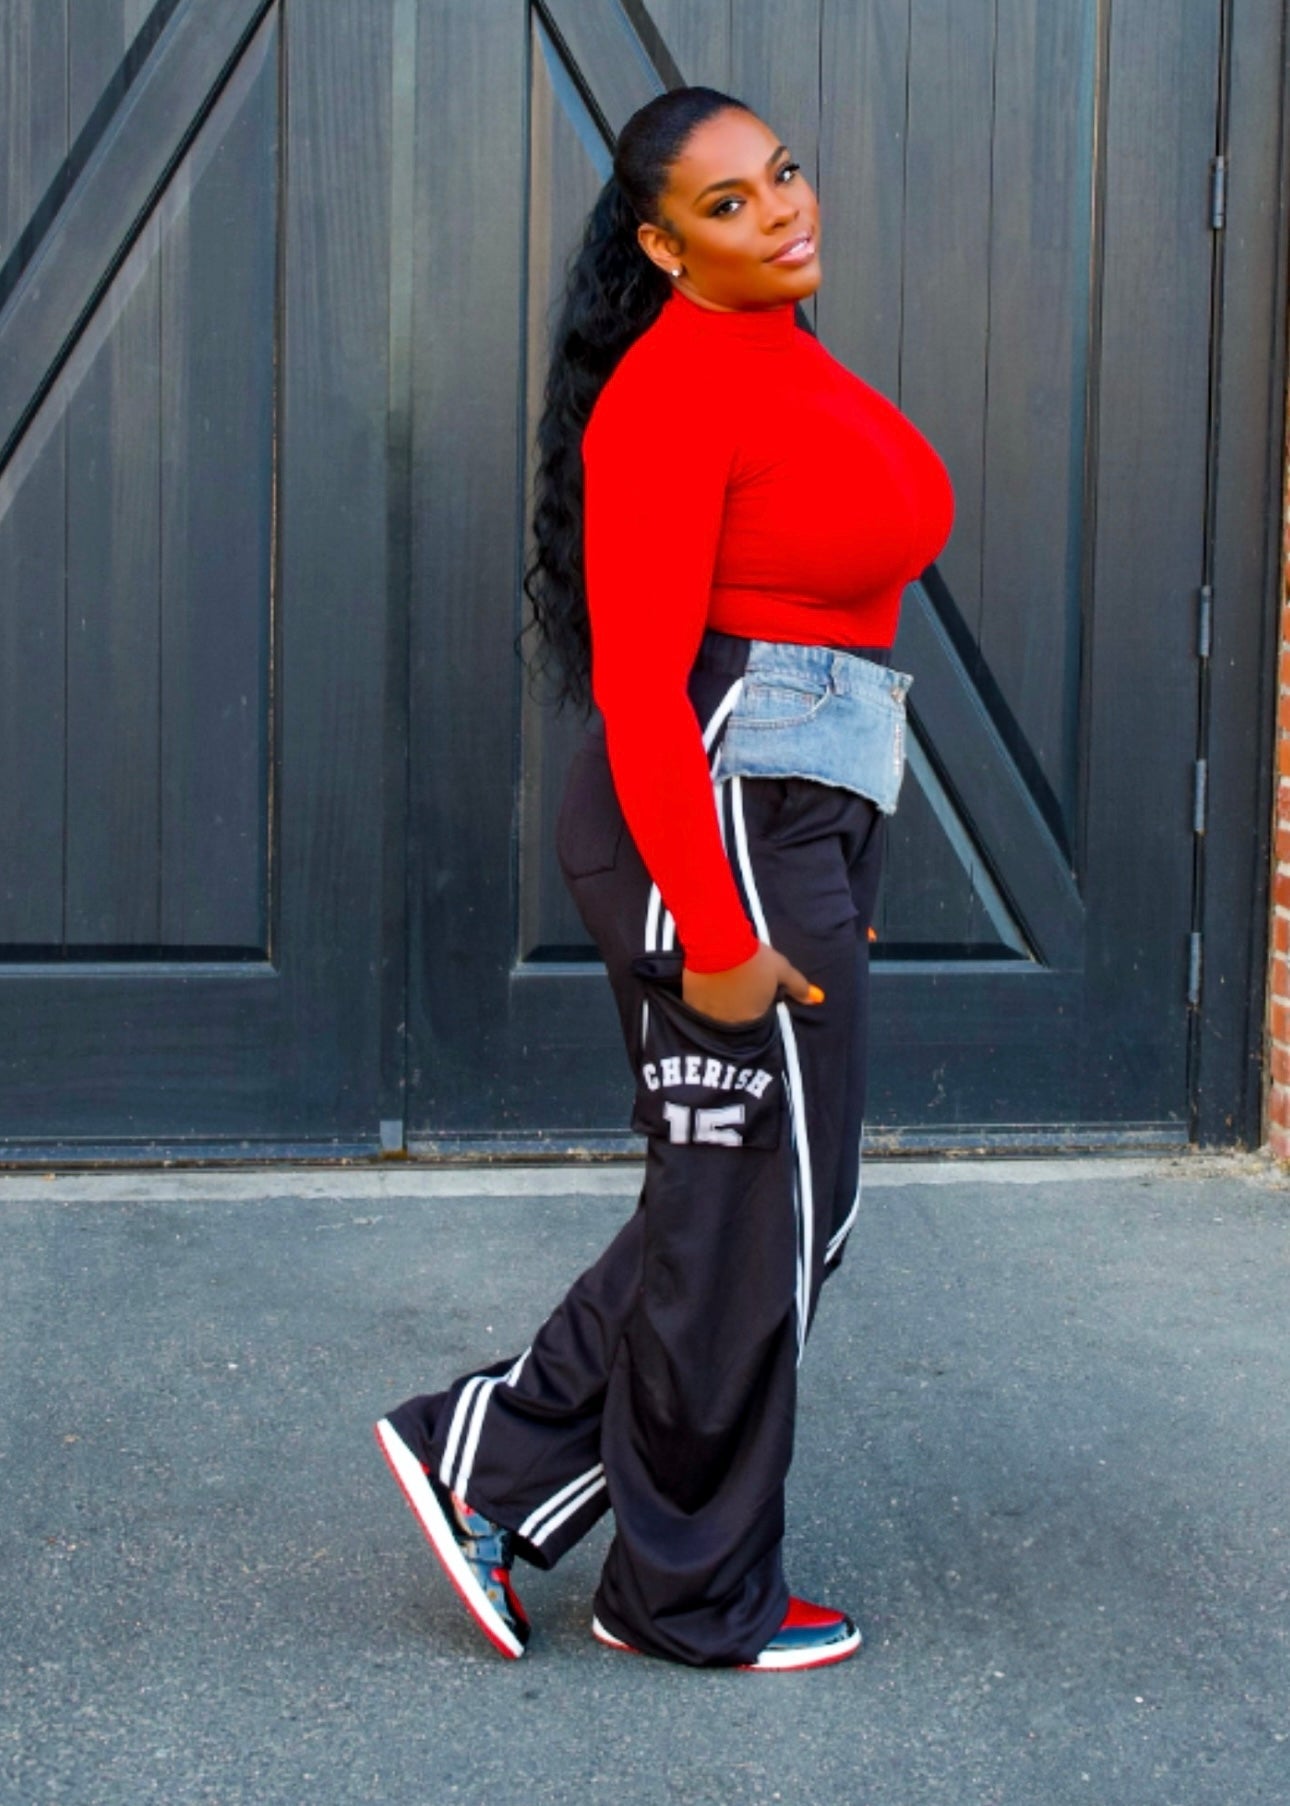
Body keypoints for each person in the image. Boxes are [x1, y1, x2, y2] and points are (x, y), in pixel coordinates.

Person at [375, 86, 955, 1672]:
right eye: (728, 203)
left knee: (752, 1201)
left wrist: (845, 852)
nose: (780, 210)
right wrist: (716, 921)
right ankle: (684, 1589)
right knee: (763, 1206)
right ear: (660, 244)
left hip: (793, 811)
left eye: (782, 172)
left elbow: (825, 633)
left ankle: (491, 1460)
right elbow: (642, 686)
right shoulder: (670, 391)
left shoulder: (775, 348)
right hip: (714, 820)